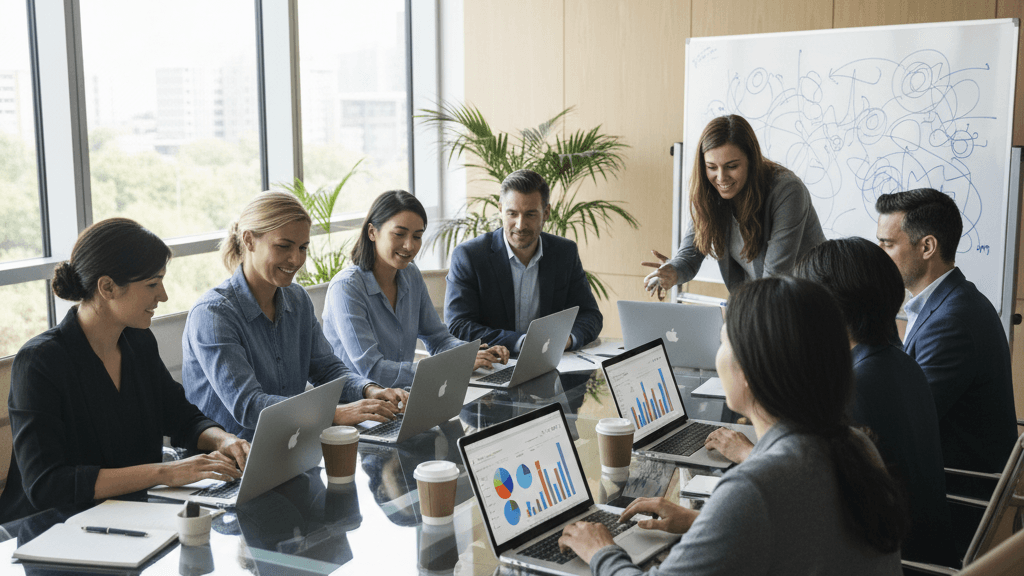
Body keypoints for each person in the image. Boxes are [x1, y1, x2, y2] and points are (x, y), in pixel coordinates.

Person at [558, 277, 906, 575]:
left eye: (724, 342)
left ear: (751, 372)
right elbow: (801, 539)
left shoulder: (754, 488)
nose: (717, 354)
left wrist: (601, 550)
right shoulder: (857, 445)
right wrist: (703, 526)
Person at [0, 218, 250, 524]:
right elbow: (47, 485)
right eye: (152, 283)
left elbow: (181, 416)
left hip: (128, 517)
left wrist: (223, 440)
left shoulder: (137, 341)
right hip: (49, 530)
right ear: (107, 287)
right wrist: (164, 473)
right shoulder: (39, 363)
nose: (163, 295)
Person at [182, 191, 408, 441]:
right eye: (283, 246)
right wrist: (332, 414)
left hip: (293, 446)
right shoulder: (213, 314)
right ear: (249, 240)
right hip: (230, 463)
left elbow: (327, 370)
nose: (296, 259)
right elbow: (249, 406)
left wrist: (369, 390)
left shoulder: (297, 299)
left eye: (303, 248)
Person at [791, 238, 955, 566]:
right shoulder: (897, 361)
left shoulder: (853, 385)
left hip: (894, 562)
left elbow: (816, 513)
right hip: (926, 552)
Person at [875, 189, 1017, 477]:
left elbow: (907, 420)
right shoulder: (948, 301)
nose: (878, 255)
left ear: (927, 247)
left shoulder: (952, 322)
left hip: (959, 496)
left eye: (887, 244)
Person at [322, 190, 508, 389]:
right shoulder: (346, 288)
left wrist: (473, 353)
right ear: (372, 232)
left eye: (417, 236)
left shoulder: (411, 275)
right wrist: (452, 365)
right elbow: (373, 370)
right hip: (357, 407)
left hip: (405, 396)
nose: (409, 246)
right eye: (399, 234)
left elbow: (438, 339)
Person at [642, 115, 825, 296]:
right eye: (712, 167)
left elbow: (774, 278)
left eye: (732, 166)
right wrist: (673, 271)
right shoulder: (709, 194)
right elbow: (691, 254)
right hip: (767, 302)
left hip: (809, 303)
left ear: (751, 161)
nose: (721, 178)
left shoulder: (787, 191)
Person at [445, 169, 603, 352]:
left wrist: (567, 339)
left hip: (550, 363)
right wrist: (521, 343)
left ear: (546, 213)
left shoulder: (564, 253)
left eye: (530, 214)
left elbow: (590, 315)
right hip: (493, 366)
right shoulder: (469, 256)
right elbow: (458, 325)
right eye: (512, 214)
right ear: (500, 210)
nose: (520, 225)